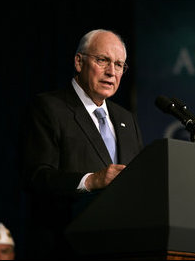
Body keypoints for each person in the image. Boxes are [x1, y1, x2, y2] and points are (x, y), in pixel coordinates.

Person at [22, 29, 143, 258]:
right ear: (79, 62)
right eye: (102, 60)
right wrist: (92, 180)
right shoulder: (48, 108)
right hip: (65, 246)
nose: (111, 72)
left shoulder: (127, 119)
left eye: (119, 65)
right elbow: (36, 177)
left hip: (121, 248)